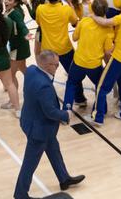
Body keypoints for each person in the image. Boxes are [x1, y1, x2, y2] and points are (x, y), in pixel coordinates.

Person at [13, 50, 84, 199]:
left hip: (31, 120)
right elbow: (50, 112)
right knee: (30, 163)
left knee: (54, 150)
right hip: (39, 129)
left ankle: (64, 179)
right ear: (47, 65)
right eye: (56, 65)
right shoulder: (43, 86)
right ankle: (20, 194)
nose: (58, 67)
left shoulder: (32, 70)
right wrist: (66, 115)